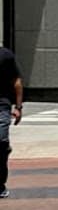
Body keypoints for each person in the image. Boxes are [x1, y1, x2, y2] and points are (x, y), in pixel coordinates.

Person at [0, 46, 23, 198]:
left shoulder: (5, 55)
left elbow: (17, 81)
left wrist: (18, 107)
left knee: (1, 143)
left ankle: (0, 184)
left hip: (1, 106)